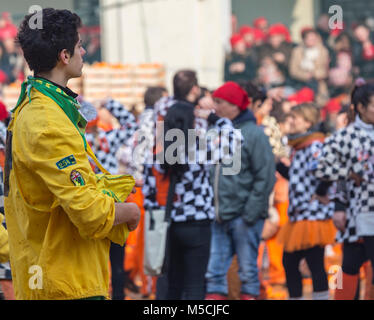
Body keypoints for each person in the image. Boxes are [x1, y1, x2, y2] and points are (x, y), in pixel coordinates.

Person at [4, 8, 140, 300]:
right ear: (65, 56)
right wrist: (130, 211)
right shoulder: (46, 120)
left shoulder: (38, 106)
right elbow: (89, 212)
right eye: (80, 47)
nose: (84, 54)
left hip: (59, 274)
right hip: (65, 282)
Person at [143, 71, 241, 300]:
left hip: (168, 222)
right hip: (197, 221)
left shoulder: (155, 154)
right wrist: (213, 118)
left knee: (171, 283)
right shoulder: (199, 150)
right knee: (196, 283)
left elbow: (148, 192)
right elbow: (235, 139)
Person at [205, 81, 275, 300]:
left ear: (234, 105)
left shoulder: (254, 134)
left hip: (244, 217)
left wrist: (250, 213)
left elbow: (265, 176)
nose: (214, 106)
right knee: (214, 274)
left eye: (219, 102)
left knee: (247, 273)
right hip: (218, 215)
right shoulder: (216, 132)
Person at [314, 79, 374, 300]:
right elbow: (321, 169)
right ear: (360, 107)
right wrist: (349, 174)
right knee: (348, 264)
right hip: (356, 211)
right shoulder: (345, 136)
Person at [277, 103, 336, 300]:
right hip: (299, 213)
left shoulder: (315, 145)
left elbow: (327, 172)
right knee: (291, 262)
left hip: (312, 215)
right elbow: (298, 177)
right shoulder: (300, 147)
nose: (290, 121)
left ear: (308, 122)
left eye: (295, 118)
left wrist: (319, 193)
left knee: (313, 263)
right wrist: (277, 163)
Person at [289, 28, 330, 106]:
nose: (311, 41)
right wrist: (305, 75)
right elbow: (293, 70)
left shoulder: (323, 51)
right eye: (309, 39)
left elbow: (325, 70)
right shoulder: (297, 51)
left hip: (318, 84)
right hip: (301, 83)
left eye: (313, 39)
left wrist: (314, 74)